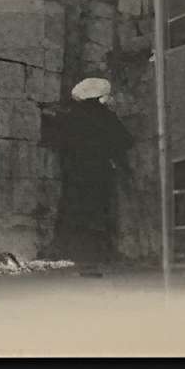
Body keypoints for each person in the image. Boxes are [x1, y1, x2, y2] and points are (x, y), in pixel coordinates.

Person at [50, 76, 132, 266]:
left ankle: (78, 257)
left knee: (78, 215)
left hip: (74, 174)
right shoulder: (106, 116)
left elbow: (59, 143)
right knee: (100, 213)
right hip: (99, 173)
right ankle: (99, 257)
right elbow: (125, 141)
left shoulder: (70, 117)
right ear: (100, 98)